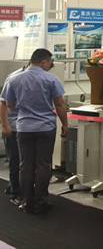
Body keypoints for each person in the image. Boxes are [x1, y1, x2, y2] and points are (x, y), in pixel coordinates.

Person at [0, 49, 68, 214]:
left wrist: (24, 110)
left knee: (25, 165)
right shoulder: (51, 79)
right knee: (43, 164)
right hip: (45, 127)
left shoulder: (14, 78)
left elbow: (9, 104)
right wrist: (65, 124)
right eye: (49, 62)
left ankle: (26, 201)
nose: (50, 66)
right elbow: (59, 104)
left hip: (23, 128)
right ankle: (41, 201)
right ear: (44, 62)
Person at [0, 66, 26, 206]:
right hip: (15, 125)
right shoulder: (14, 78)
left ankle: (17, 188)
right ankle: (16, 192)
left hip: (28, 126)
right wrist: (5, 125)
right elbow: (3, 103)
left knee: (24, 161)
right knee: (15, 160)